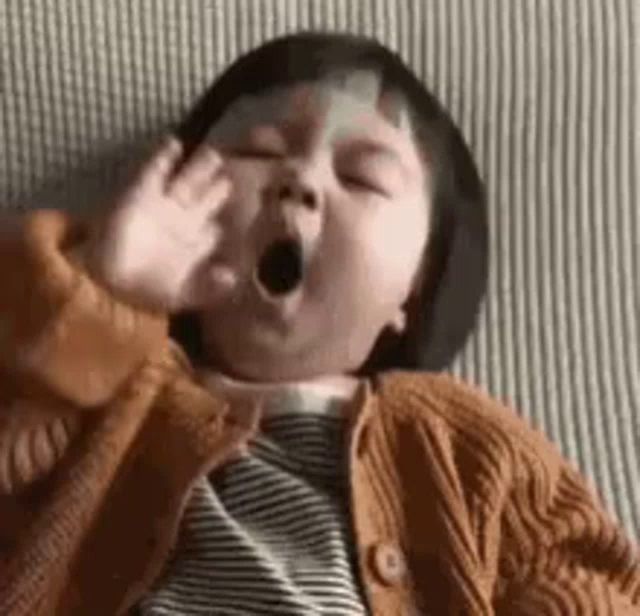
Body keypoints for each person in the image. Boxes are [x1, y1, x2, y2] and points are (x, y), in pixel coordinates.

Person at [0, 30, 638, 616]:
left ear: (415, 287)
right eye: (256, 150)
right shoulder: (113, 396)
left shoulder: (459, 439)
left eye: (364, 178)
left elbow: (579, 571)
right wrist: (106, 290)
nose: (300, 180)